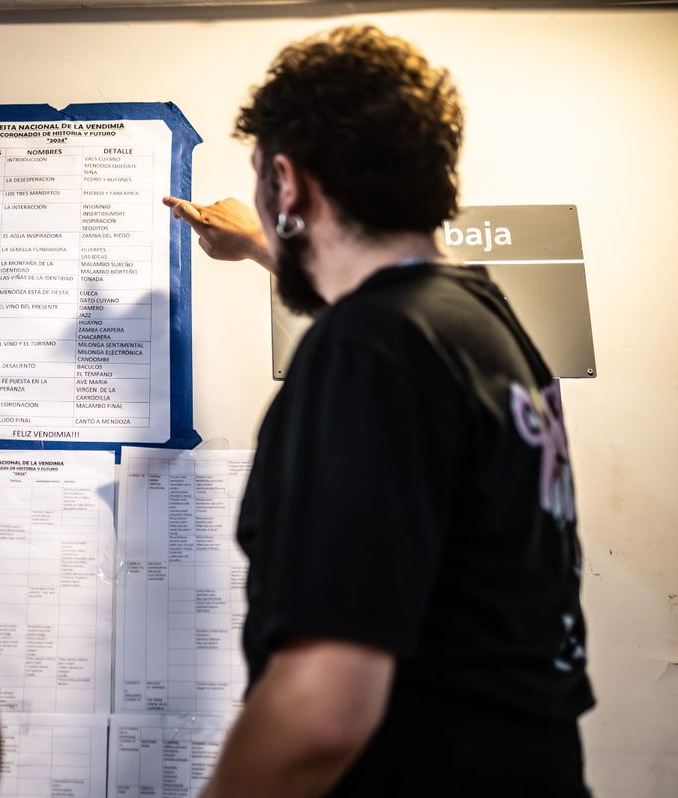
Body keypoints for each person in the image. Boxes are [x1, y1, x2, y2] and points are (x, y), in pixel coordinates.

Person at [164, 25, 594, 797]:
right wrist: (266, 243)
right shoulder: (488, 329)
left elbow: (320, 715)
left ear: (288, 183)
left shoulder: (368, 350)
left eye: (264, 181)